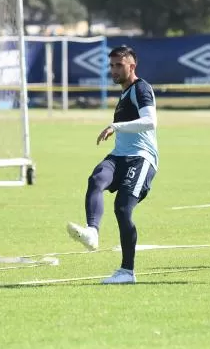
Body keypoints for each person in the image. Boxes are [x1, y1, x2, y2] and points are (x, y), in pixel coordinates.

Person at [66, 45, 159, 284]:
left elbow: (150, 122)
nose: (114, 70)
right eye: (111, 65)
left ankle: (127, 272)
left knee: (122, 208)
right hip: (120, 155)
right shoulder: (124, 92)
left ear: (132, 66)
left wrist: (115, 126)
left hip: (141, 158)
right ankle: (92, 233)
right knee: (96, 179)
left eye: (119, 65)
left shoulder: (141, 88)